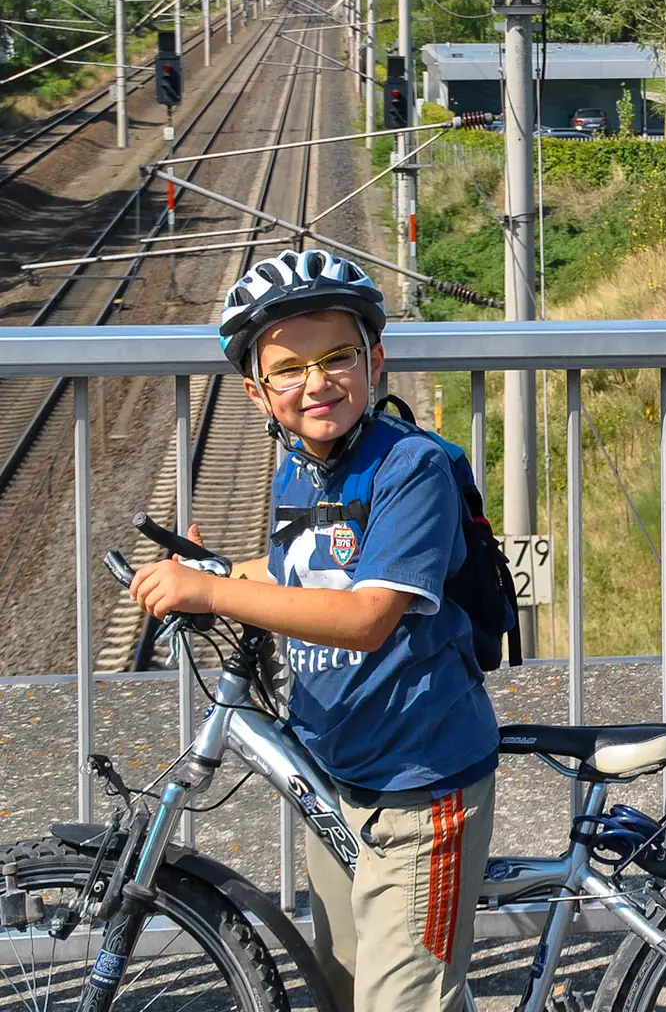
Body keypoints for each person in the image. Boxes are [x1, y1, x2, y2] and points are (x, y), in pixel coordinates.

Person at [131, 249, 499, 1012]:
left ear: (374, 361)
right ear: (257, 393)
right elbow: (298, 573)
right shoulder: (298, 469)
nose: (316, 382)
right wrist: (218, 574)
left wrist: (214, 592)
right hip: (338, 772)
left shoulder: (409, 468)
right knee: (344, 986)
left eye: (336, 358)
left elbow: (366, 617)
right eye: (288, 370)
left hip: (419, 783)